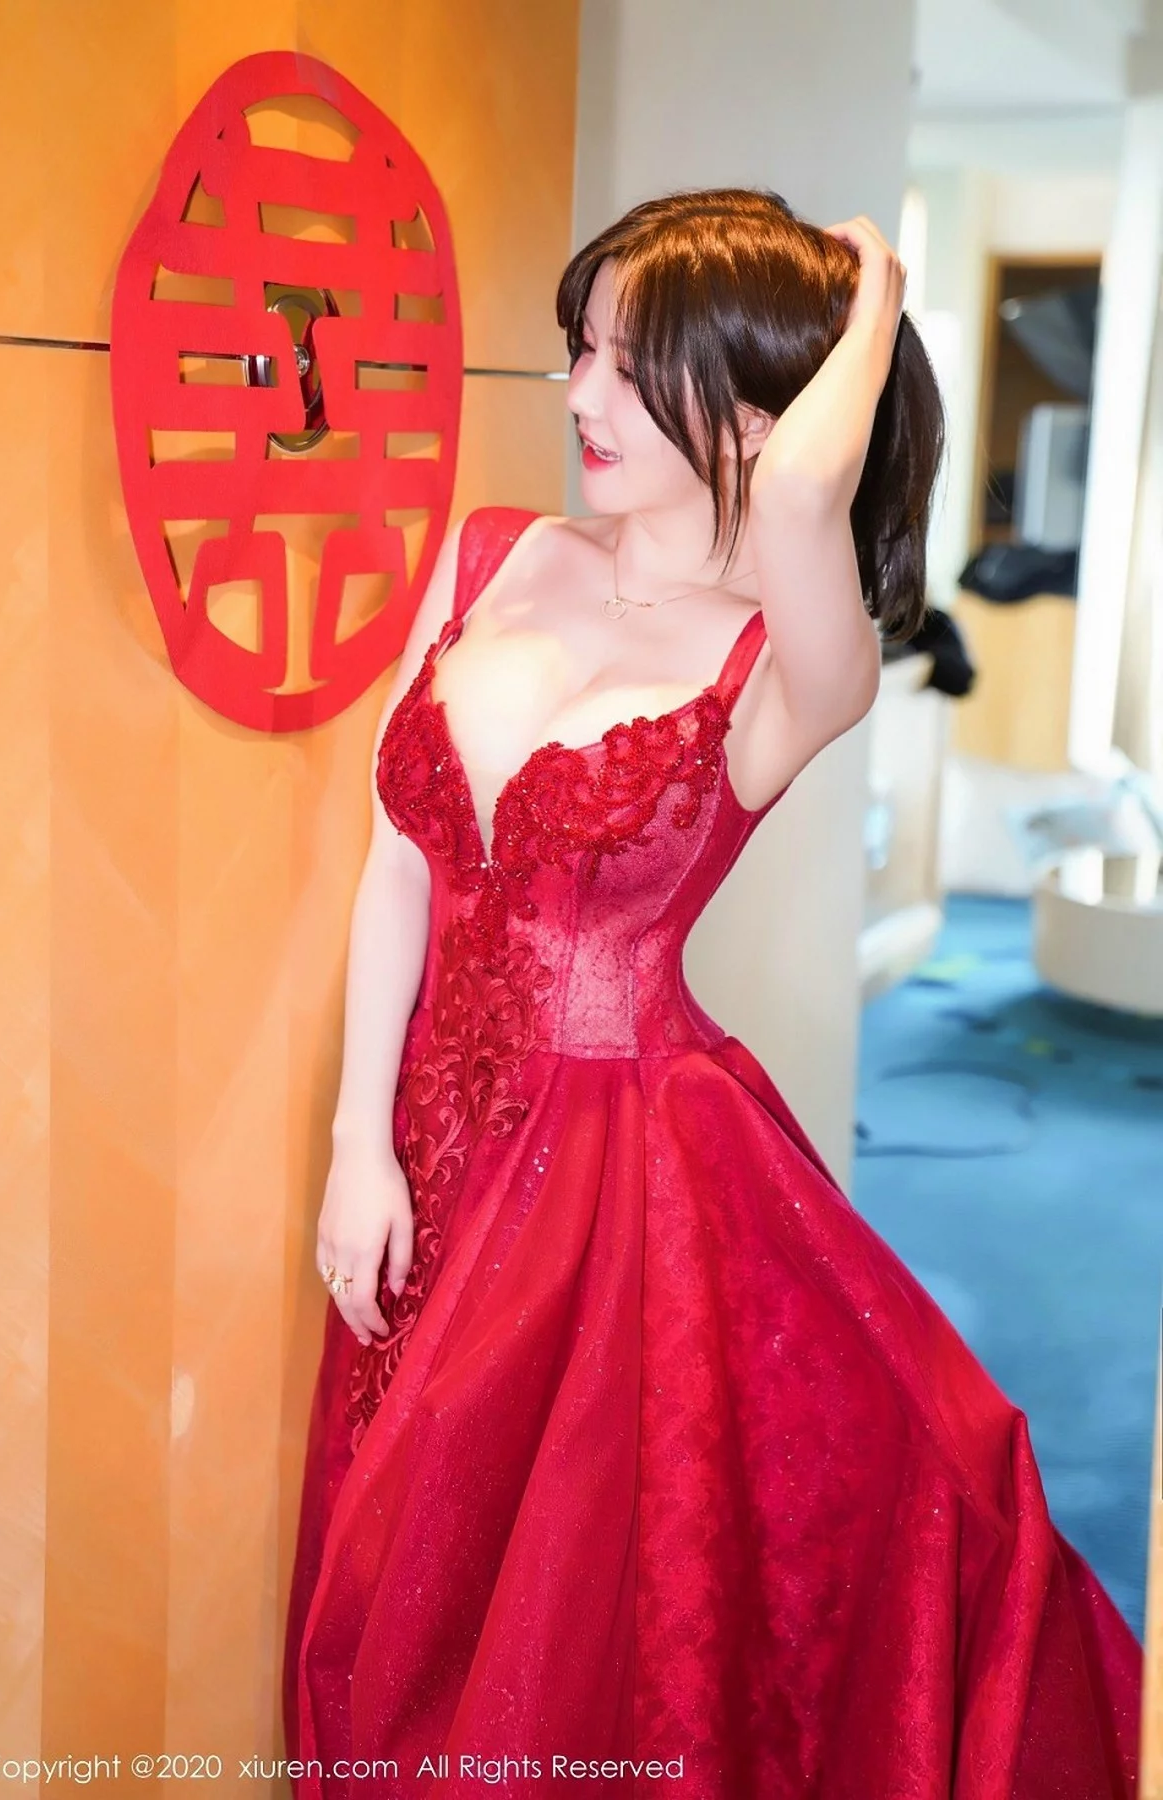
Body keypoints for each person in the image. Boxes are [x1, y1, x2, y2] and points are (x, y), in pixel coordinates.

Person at [282, 188, 1142, 1798]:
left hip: (617, 1192)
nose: (580, 397)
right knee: (395, 1598)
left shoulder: (792, 660)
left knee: (567, 1633)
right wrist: (354, 1143)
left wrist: (875, 287)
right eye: (579, 350)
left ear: (753, 408)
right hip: (427, 1166)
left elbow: (807, 497)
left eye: (630, 364)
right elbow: (398, 859)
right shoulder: (490, 555)